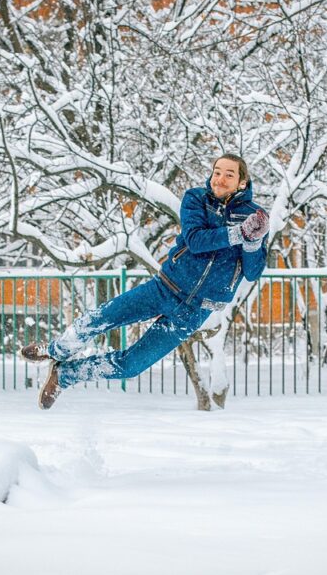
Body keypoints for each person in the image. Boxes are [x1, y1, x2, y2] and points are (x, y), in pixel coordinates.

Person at [21, 154, 270, 409]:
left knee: (132, 366)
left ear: (242, 181)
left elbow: (252, 272)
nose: (220, 179)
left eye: (229, 174)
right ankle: (57, 349)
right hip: (165, 288)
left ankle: (66, 375)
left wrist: (253, 241)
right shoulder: (196, 199)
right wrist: (237, 233)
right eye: (217, 172)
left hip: (195, 311)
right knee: (102, 318)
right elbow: (196, 241)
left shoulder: (255, 218)